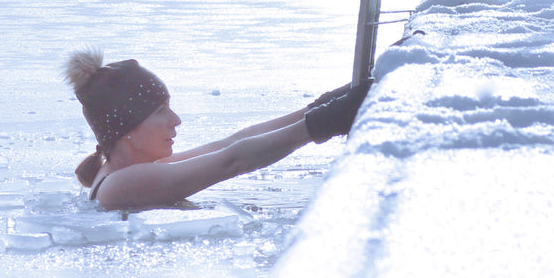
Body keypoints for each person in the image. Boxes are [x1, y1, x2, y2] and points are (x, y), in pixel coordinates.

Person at [65, 49, 367, 210]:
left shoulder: (134, 171)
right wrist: (327, 121)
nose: (176, 120)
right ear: (127, 128)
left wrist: (321, 105)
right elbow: (232, 161)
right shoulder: (119, 186)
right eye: (161, 111)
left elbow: (233, 142)